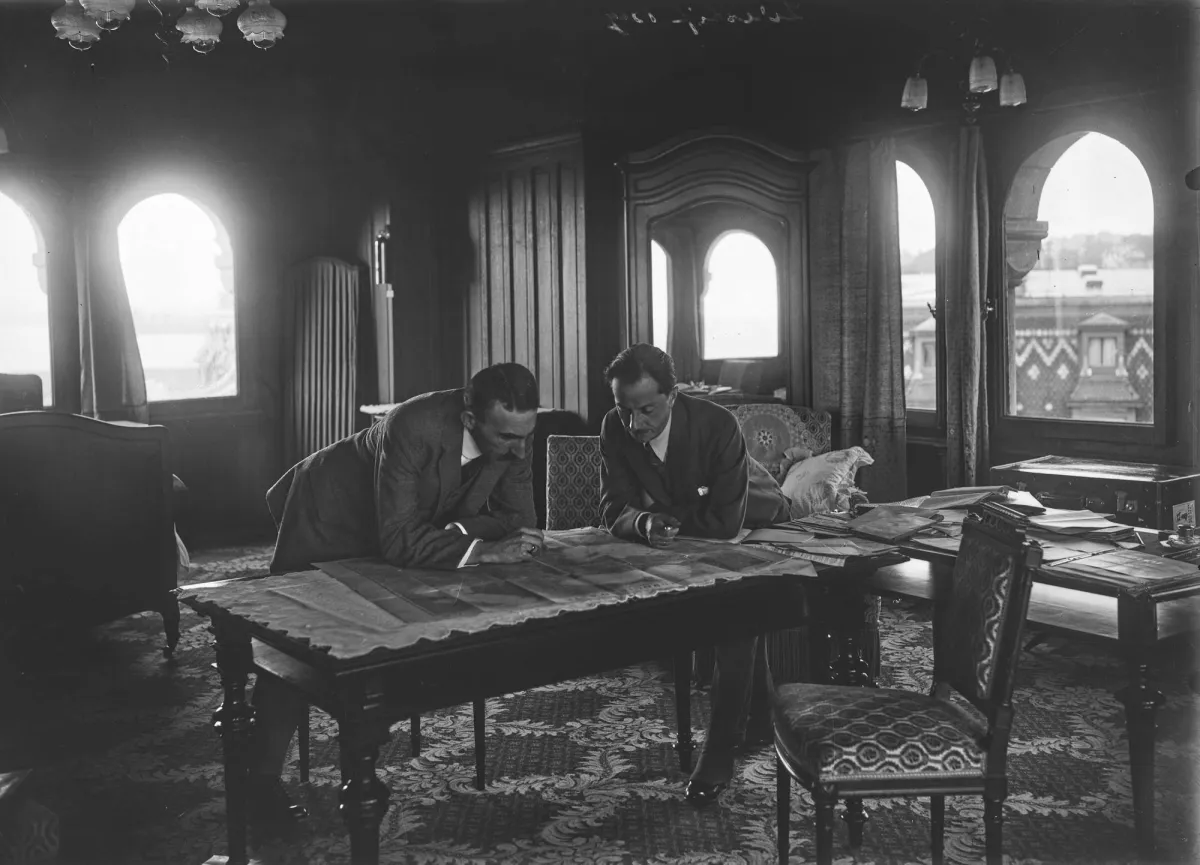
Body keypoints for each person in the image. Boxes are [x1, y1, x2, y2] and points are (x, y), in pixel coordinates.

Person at [249, 362, 546, 832]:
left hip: (401, 522)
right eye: (510, 438)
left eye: (527, 436)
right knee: (295, 641)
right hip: (330, 514)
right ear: (470, 420)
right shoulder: (414, 424)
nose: (522, 450)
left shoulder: (514, 430)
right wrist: (483, 547)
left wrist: (466, 533)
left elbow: (521, 525)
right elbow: (401, 541)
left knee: (385, 633)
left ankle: (355, 748)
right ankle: (259, 781)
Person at [598, 343, 791, 808]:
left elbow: (724, 522)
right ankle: (761, 721)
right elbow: (611, 508)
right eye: (624, 409)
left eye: (646, 410)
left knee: (738, 614)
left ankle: (719, 751)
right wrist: (644, 519)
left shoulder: (717, 425)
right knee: (740, 615)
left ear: (673, 395)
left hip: (762, 520)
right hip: (695, 529)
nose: (634, 424)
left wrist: (656, 509)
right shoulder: (614, 427)